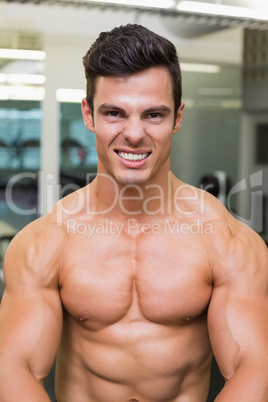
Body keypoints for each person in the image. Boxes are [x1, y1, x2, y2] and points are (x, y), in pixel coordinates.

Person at [0, 23, 267, 402]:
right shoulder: (46, 241)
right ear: (89, 115)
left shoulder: (224, 240)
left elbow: (252, 367)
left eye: (154, 115)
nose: (134, 134)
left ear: (177, 118)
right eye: (114, 113)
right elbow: (16, 368)